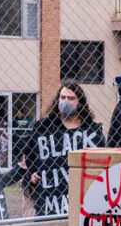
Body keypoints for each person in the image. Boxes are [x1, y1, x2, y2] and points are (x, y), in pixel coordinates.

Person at [21, 83, 105, 217]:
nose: (66, 102)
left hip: (83, 201)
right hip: (50, 202)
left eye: (71, 98)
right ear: (57, 100)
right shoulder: (44, 127)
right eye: (63, 97)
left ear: (79, 103)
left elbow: (101, 160)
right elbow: (29, 157)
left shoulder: (90, 129)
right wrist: (31, 174)